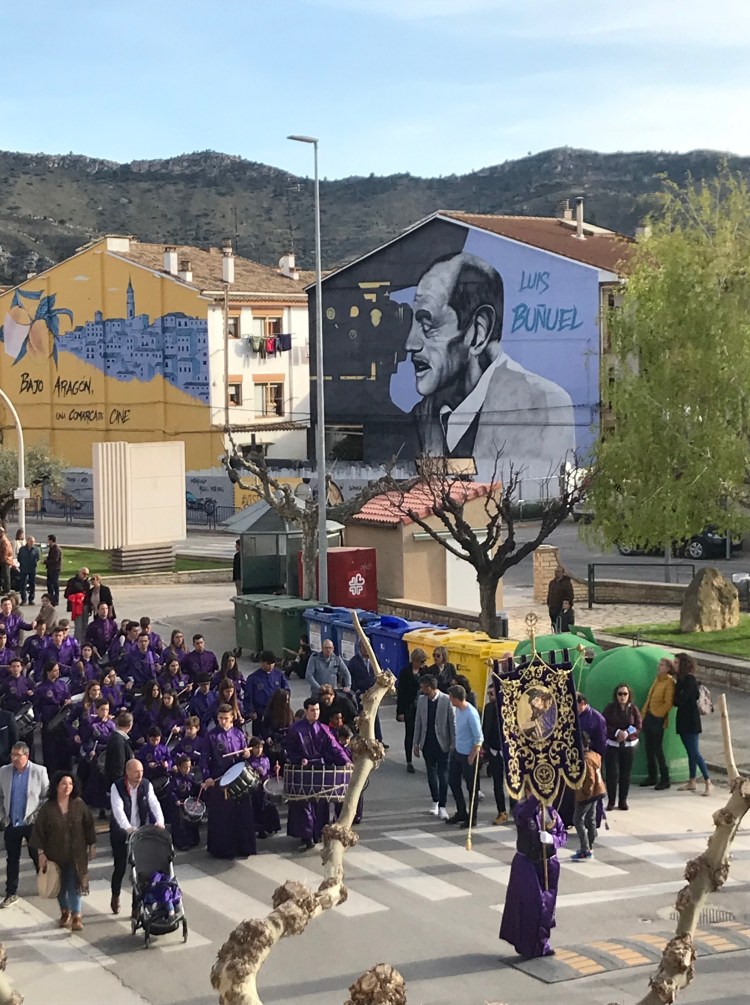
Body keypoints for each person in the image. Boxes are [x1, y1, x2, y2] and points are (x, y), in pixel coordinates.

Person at [404, 252, 576, 479]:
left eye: (428, 325)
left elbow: (537, 502)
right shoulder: (422, 416)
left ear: (478, 333)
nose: (410, 344)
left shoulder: (543, 405)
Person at [499, 791, 567, 958]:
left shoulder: (551, 813)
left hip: (548, 864)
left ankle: (542, 943)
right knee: (531, 905)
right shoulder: (521, 808)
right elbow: (522, 818)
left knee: (547, 907)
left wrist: (552, 840)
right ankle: (526, 944)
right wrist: (535, 798)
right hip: (527, 863)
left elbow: (563, 835)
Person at [31, 770, 96, 931]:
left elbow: (89, 826)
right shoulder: (47, 808)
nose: (67, 787)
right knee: (59, 887)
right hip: (55, 855)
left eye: (70, 784)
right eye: (64, 784)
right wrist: (41, 854)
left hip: (77, 854)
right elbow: (39, 832)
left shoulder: (79, 804)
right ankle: (64, 911)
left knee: (75, 885)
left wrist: (92, 845)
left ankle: (76, 916)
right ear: (57, 786)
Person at [285, 697, 351, 851]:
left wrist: (345, 760)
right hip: (303, 772)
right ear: (306, 711)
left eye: (318, 710)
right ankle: (306, 836)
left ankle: (318, 833)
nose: (316, 713)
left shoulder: (323, 729)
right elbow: (289, 750)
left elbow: (334, 747)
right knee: (304, 805)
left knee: (321, 804)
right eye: (312, 710)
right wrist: (299, 759)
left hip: (319, 770)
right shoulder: (296, 729)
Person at [109, 758, 165, 915]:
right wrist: (127, 828)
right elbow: (118, 810)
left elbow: (154, 803)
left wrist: (160, 821)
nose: (139, 775)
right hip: (122, 832)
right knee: (120, 867)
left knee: (139, 871)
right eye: (136, 772)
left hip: (140, 833)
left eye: (141, 771)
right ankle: (115, 896)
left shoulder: (146, 785)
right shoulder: (117, 787)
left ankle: (136, 906)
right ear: (127, 772)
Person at [200, 705, 256, 859]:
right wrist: (207, 777)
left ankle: (244, 846)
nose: (223, 721)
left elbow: (245, 755)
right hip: (220, 780)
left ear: (232, 717)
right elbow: (204, 758)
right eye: (220, 719)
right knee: (223, 816)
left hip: (238, 777)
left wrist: (246, 754)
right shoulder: (211, 736)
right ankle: (223, 849)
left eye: (226, 718)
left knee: (242, 813)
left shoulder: (239, 734)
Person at [0, 742, 48, 907]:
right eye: (12, 755)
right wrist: (3, 816)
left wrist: (36, 816)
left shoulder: (39, 771)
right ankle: (11, 893)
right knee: (12, 859)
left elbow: (46, 796)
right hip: (12, 822)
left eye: (17, 755)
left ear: (26, 756)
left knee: (37, 856)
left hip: (31, 822)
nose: (14, 758)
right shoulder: (4, 771)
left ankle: (45, 886)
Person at [413, 674, 454, 819]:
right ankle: (435, 801)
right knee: (431, 774)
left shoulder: (446, 700)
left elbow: (451, 723)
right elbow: (418, 722)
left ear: (429, 687)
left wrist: (453, 744)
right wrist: (416, 744)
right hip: (427, 742)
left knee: (443, 775)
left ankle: (443, 805)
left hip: (443, 743)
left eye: (423, 687)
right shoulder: (422, 700)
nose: (421, 689)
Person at [673, 652, 712, 796]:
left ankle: (708, 781)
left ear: (683, 664)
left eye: (676, 662)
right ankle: (692, 780)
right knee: (690, 752)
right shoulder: (681, 680)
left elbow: (679, 700)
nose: (674, 665)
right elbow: (676, 699)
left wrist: (678, 695)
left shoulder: (689, 680)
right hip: (683, 719)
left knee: (695, 752)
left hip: (691, 720)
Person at [446, 684, 483, 827]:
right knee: (453, 781)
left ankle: (472, 817)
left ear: (456, 698)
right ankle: (461, 811)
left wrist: (472, 756)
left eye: (451, 698)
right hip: (458, 751)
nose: (450, 700)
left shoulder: (471, 713)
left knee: (471, 787)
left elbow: (479, 738)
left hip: (469, 755)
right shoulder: (458, 710)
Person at [603, 683, 642, 811]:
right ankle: (611, 801)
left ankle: (623, 800)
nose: (622, 696)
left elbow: (638, 725)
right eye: (620, 694)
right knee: (612, 773)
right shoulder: (610, 708)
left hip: (629, 745)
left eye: (625, 694)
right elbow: (604, 724)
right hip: (613, 745)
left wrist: (627, 732)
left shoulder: (633, 709)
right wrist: (616, 732)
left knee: (626, 773)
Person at [640, 657, 675, 791]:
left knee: (657, 749)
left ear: (667, 668)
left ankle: (665, 779)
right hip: (649, 716)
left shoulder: (669, 682)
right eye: (659, 664)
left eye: (662, 665)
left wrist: (656, 714)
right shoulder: (657, 680)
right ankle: (652, 776)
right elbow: (650, 698)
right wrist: (645, 714)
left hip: (657, 718)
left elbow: (668, 703)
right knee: (649, 748)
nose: (658, 667)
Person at [570, 731, 607, 861]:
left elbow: (590, 779)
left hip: (588, 794)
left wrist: (585, 793)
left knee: (577, 820)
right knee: (590, 819)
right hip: (598, 791)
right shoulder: (595, 755)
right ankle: (590, 845)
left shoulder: (585, 760)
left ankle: (585, 848)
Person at [396, 647, 428, 774]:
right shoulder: (405, 672)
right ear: (414, 660)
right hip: (410, 707)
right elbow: (401, 693)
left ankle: (427, 759)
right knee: (410, 734)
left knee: (425, 733)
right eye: (420, 661)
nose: (422, 664)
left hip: (423, 707)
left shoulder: (425, 671)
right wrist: (400, 712)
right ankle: (409, 761)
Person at [482, 682, 508, 825]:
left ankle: (516, 810)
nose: (490, 697)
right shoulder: (488, 708)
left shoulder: (508, 709)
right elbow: (485, 728)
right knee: (497, 783)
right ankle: (501, 811)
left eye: (492, 694)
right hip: (493, 750)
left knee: (512, 782)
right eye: (489, 694)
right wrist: (485, 747)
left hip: (507, 751)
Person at [244, 651, 289, 734]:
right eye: (268, 663)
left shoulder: (279, 675)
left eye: (273, 663)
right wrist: (250, 711)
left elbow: (286, 690)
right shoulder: (253, 678)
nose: (271, 666)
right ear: (262, 663)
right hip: (260, 713)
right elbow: (248, 696)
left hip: (276, 713)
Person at [104, 711, 135, 788]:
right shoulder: (119, 741)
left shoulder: (116, 737)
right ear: (130, 724)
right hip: (118, 784)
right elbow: (118, 766)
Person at [63, 567, 90, 644]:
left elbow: (88, 595)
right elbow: (66, 594)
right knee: (78, 627)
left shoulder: (87, 583)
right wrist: (76, 597)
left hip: (85, 606)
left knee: (85, 626)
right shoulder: (72, 581)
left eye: (87, 574)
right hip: (76, 606)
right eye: (84, 574)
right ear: (79, 572)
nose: (85, 576)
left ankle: (84, 644)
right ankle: (76, 644)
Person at [546, 565, 574, 631]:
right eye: (555, 571)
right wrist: (549, 603)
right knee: (554, 625)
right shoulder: (552, 583)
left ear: (562, 573)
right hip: (552, 608)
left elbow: (570, 596)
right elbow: (549, 594)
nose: (556, 573)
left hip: (561, 609)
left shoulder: (566, 583)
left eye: (558, 571)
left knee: (562, 626)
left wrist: (566, 606)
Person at [17, 536, 40, 607]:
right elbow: (19, 558)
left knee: (32, 584)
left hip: (32, 569)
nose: (32, 543)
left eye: (33, 542)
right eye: (31, 541)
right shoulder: (22, 549)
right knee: (23, 584)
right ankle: (24, 599)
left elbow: (37, 558)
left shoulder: (36, 549)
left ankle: (31, 599)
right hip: (24, 569)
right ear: (27, 541)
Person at [44, 535, 62, 607]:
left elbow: (55, 560)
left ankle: (55, 600)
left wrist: (46, 561)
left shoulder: (56, 549)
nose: (48, 541)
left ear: (51, 540)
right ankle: (50, 598)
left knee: (55, 585)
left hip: (55, 569)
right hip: (50, 569)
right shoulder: (51, 548)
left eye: (48, 540)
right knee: (49, 584)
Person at [0, 528, 13, 595]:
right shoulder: (2, 539)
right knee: (3, 575)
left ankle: (7, 589)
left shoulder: (4, 540)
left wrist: (2, 560)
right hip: (3, 559)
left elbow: (5, 552)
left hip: (5, 560)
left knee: (6, 575)